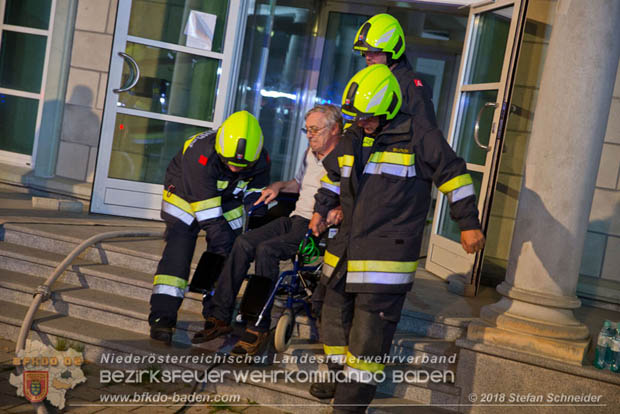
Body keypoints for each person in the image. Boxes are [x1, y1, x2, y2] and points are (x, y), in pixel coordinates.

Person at [308, 65, 485, 412]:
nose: (362, 123)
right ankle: (335, 373)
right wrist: (322, 208)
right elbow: (334, 175)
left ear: (389, 106)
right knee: (329, 311)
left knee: (368, 335)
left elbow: (455, 175)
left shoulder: (420, 135)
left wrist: (468, 223)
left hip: (386, 254)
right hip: (346, 248)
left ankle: (349, 404)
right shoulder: (355, 133)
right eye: (357, 118)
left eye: (368, 118)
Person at [191, 104, 343, 355]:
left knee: (267, 250)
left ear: (335, 129)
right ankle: (219, 316)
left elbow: (356, 195)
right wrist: (278, 187)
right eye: (307, 130)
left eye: (315, 130)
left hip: (318, 229)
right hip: (296, 218)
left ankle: (258, 326)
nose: (310, 135)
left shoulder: (345, 158)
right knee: (243, 243)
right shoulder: (310, 153)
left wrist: (339, 211)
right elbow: (298, 184)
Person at [149, 110, 271, 344]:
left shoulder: (261, 159)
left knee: (228, 250)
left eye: (242, 166)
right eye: (230, 163)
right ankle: (162, 318)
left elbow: (256, 191)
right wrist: (225, 243)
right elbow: (207, 213)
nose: (235, 169)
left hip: (225, 200)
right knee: (179, 253)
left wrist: (256, 218)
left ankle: (216, 314)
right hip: (185, 197)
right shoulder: (201, 154)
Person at [353, 13, 438, 129]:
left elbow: (425, 131)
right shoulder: (367, 80)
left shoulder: (412, 86)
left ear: (393, 51)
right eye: (365, 52)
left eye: (375, 52)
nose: (368, 57)